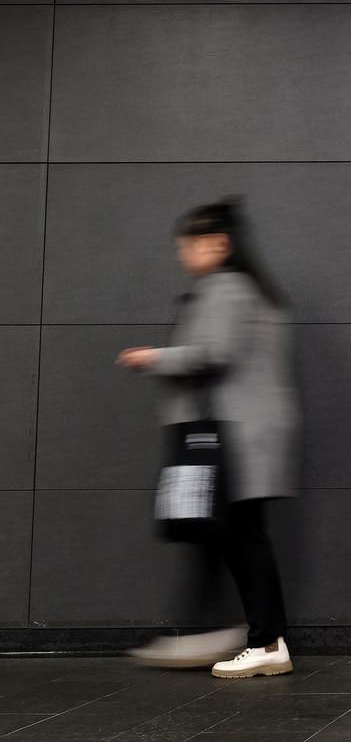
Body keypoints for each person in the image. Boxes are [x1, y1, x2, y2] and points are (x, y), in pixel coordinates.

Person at [117, 198, 298, 678]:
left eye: (189, 244)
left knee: (241, 537)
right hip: (241, 434)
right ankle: (232, 634)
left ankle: (264, 640)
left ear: (218, 244)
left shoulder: (228, 288)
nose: (182, 255)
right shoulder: (248, 289)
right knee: (229, 536)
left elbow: (213, 352)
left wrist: (153, 357)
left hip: (234, 436)